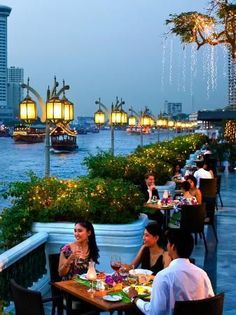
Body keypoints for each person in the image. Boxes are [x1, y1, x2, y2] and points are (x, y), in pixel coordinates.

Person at [128, 229, 214, 315]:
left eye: (168, 243)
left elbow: (154, 312)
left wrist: (135, 298)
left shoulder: (163, 276)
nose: (167, 246)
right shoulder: (202, 274)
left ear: (173, 247)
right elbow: (211, 304)